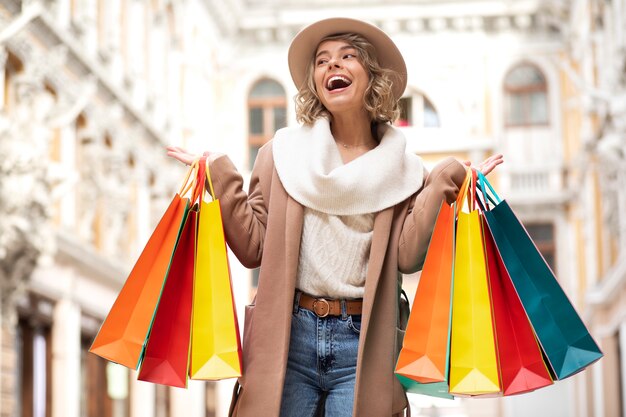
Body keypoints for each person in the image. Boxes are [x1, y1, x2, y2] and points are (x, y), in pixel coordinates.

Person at [167, 17, 502, 417]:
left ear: (372, 76)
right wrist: (218, 175)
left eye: (347, 57)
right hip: (289, 336)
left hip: (364, 343)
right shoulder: (282, 154)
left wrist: (446, 178)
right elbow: (253, 246)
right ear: (314, 80)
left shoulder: (403, 169)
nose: (333, 66)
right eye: (322, 60)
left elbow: (408, 256)